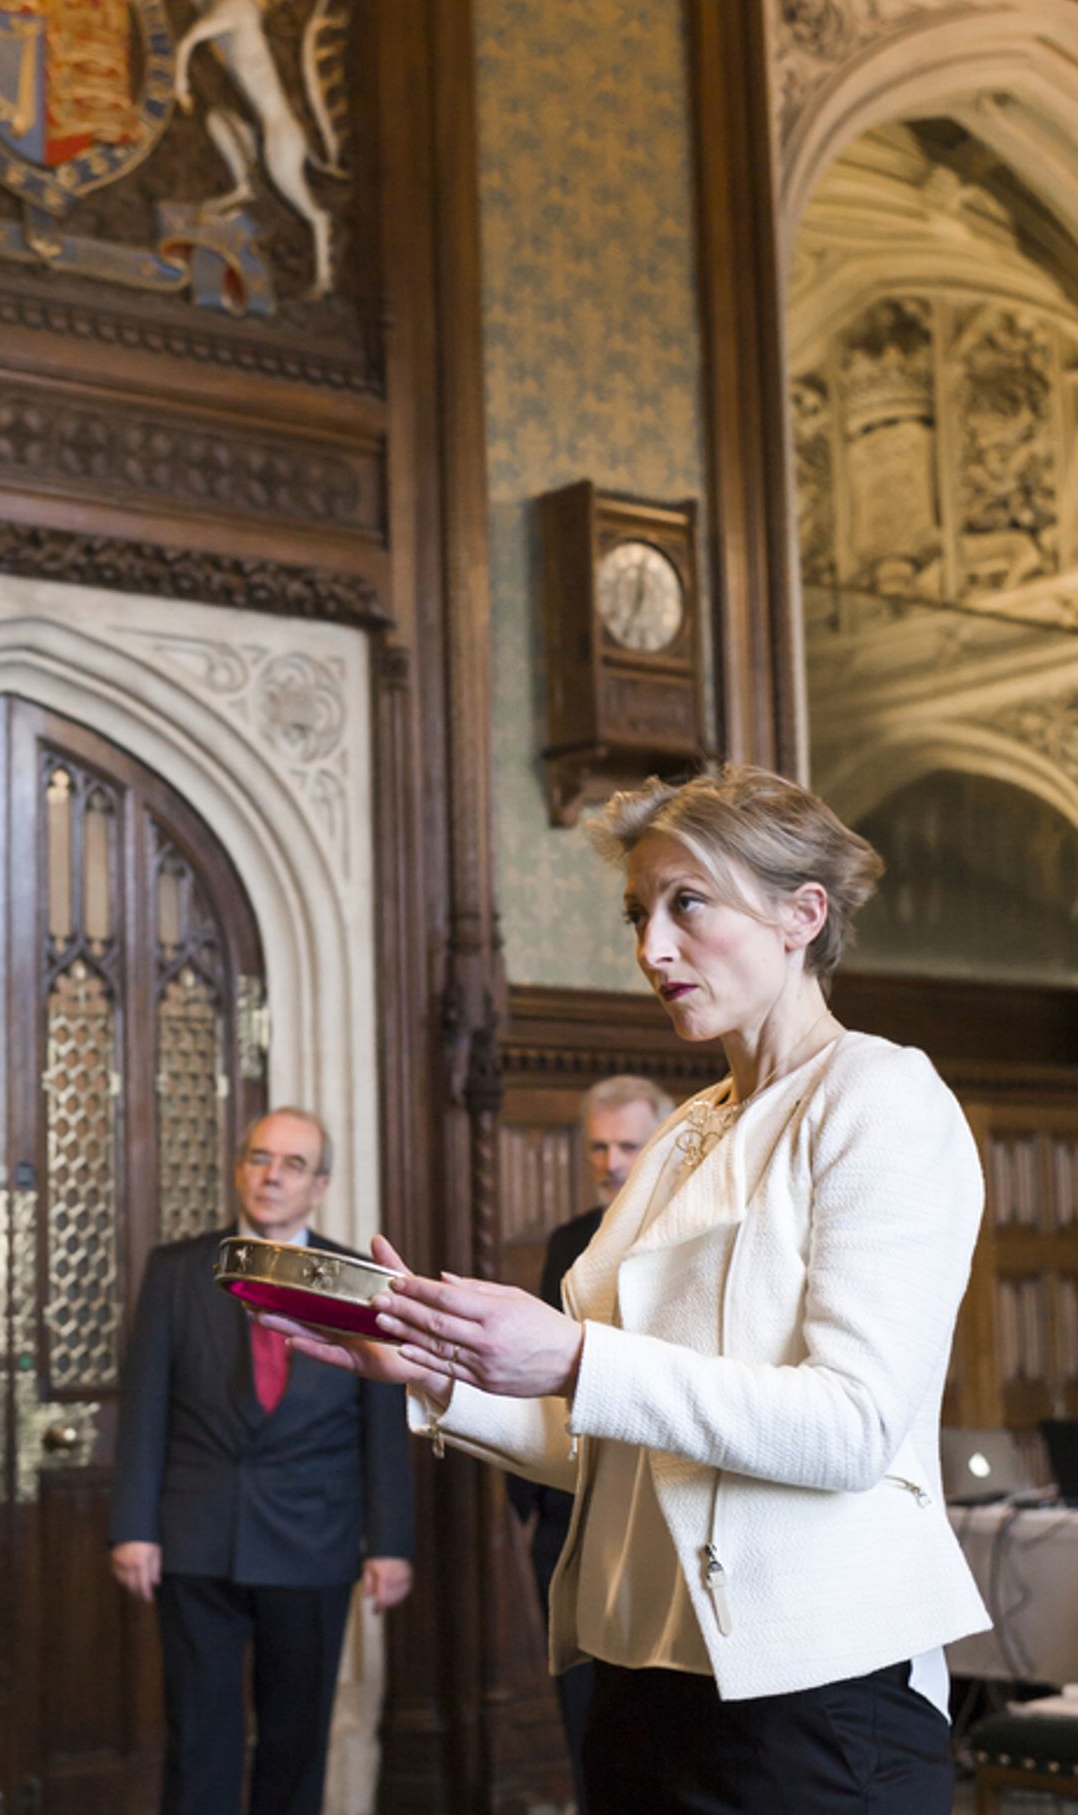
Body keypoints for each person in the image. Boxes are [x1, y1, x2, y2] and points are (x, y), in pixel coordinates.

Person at [267, 766, 991, 1814]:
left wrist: (569, 1356)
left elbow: (849, 1427)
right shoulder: (687, 1129)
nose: (651, 948)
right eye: (637, 913)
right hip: (644, 1680)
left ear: (801, 914)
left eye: (685, 903)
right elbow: (625, 1440)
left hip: (815, 1693)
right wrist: (437, 1374)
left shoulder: (879, 1096)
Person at [109, 1107, 415, 1815]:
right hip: (194, 1539)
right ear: (240, 1167)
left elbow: (381, 1420)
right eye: (259, 1157)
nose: (272, 1175)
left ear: (321, 1185)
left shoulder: (357, 1278)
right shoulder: (177, 1269)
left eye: (294, 1163)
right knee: (198, 1737)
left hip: (315, 1540)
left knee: (296, 1737)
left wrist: (390, 1541)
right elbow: (145, 1405)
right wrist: (133, 1526)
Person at [512, 1076, 673, 1812]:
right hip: (570, 1506)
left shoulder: (683, 1235)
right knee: (587, 1728)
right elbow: (544, 1376)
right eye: (599, 1146)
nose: (610, 1161)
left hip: (663, 1504)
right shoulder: (570, 1241)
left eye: (628, 1146)